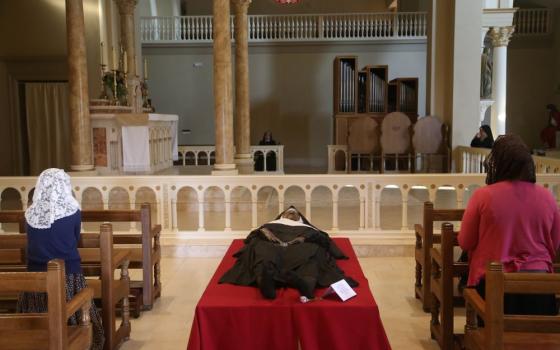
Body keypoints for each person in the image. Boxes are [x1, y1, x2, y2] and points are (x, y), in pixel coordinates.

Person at [459, 135, 560, 316]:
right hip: (539, 286)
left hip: (493, 283)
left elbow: (465, 242)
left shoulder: (483, 196)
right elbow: (555, 243)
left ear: (497, 164)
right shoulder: (547, 197)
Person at [18, 168, 105, 350]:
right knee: (77, 305)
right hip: (69, 276)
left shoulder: (31, 213)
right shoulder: (73, 211)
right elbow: (75, 240)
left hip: (35, 279)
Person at [219, 207, 357, 300]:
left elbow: (325, 242)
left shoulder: (307, 228)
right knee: (262, 250)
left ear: (300, 218)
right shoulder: (271, 225)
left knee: (313, 251)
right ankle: (267, 286)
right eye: (288, 212)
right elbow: (250, 238)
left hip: (302, 246)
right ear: (281, 216)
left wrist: (305, 237)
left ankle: (305, 287)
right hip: (272, 246)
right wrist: (266, 232)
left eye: (294, 212)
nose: (291, 213)